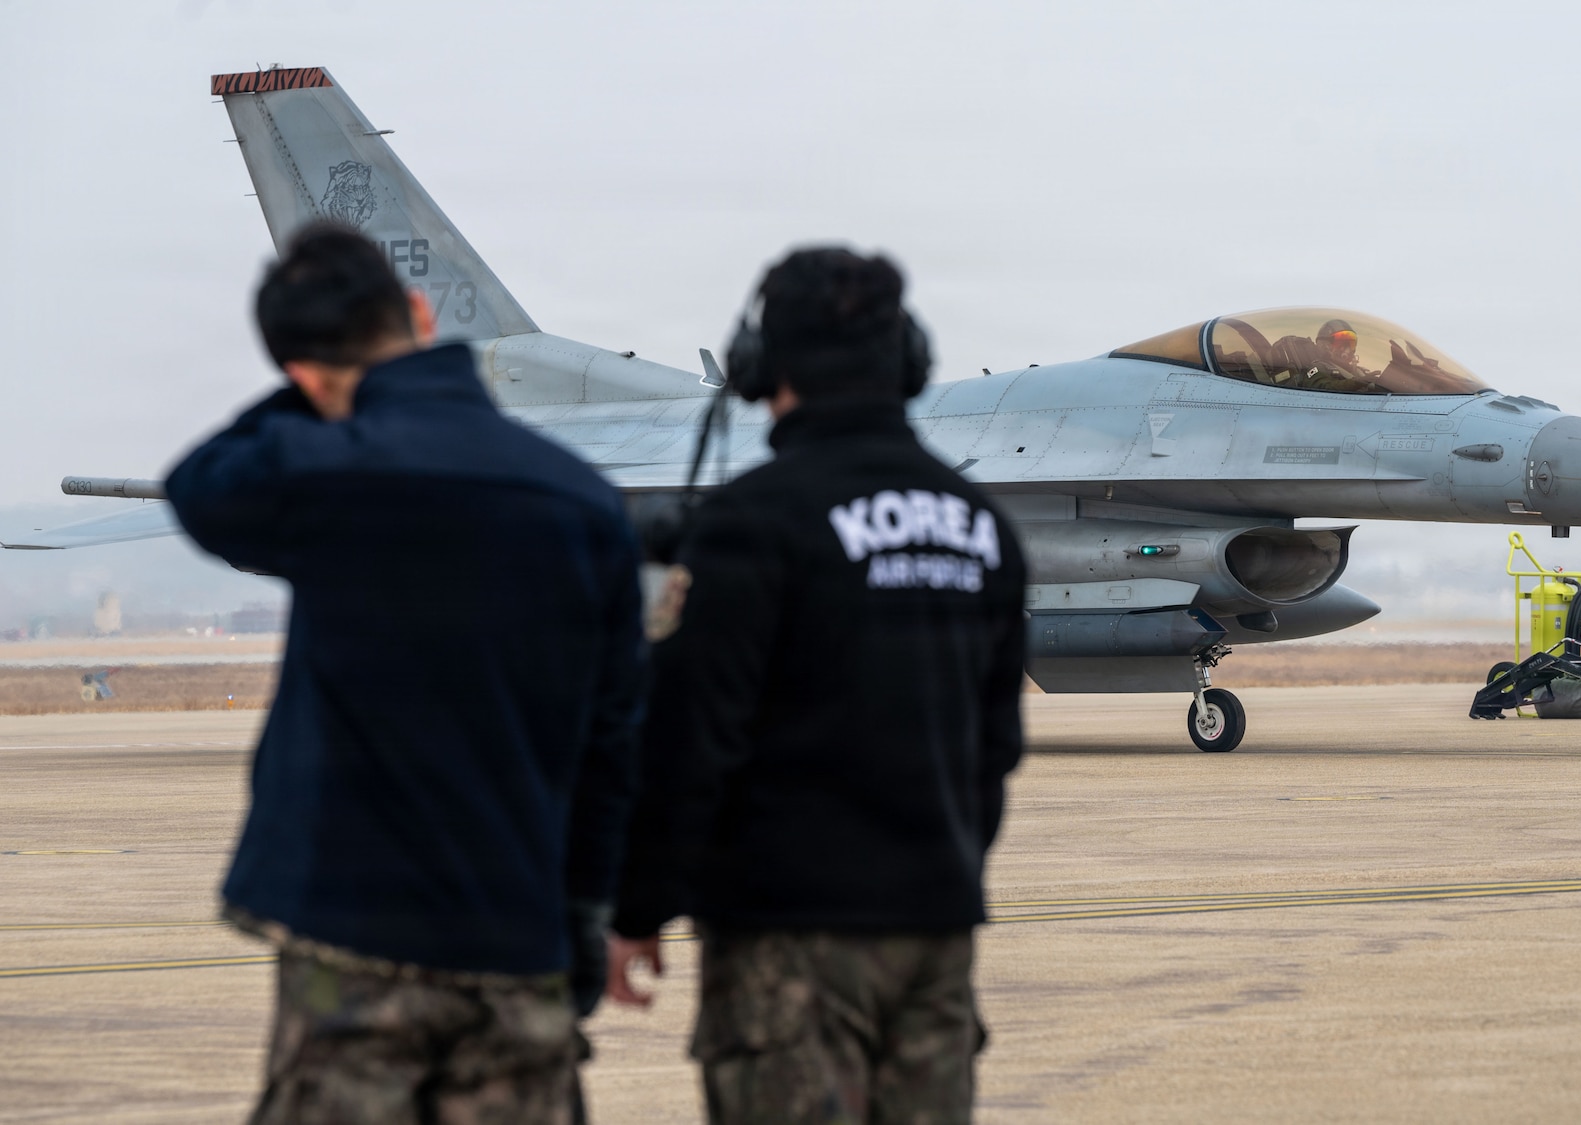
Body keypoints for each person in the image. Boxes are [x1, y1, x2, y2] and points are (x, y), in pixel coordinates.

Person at [167, 223, 647, 1124]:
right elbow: (612, 743)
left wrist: (317, 395)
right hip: (517, 932)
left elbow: (199, 484)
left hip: (350, 939)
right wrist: (586, 912)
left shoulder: (323, 471)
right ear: (423, 316)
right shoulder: (581, 499)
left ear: (304, 374)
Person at [606, 247, 1028, 1124]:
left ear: (764, 365)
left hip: (785, 937)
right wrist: (937, 873)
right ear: (907, 359)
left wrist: (638, 906)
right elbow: (993, 748)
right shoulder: (983, 528)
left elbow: (689, 738)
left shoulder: (752, 522)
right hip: (934, 935)